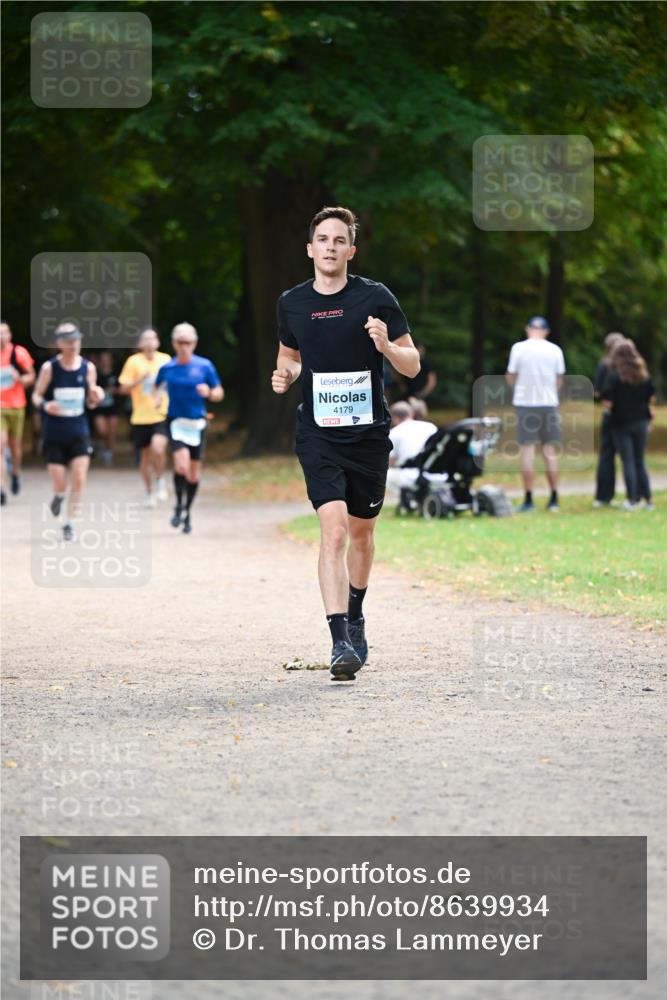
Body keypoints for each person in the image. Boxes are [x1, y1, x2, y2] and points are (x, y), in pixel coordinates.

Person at [272, 206, 420, 681]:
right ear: (310, 248)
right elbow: (290, 357)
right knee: (333, 530)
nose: (331, 247)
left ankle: (355, 613)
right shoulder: (292, 302)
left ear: (350, 250)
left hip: (368, 435)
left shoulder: (375, 298)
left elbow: (412, 365)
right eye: (323, 239)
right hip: (318, 434)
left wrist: (387, 347)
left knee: (362, 532)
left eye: (340, 240)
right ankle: (339, 641)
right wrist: (284, 375)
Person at [31, 323, 104, 541]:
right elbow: (36, 396)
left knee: (79, 477)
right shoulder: (49, 368)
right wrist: (45, 405)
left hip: (78, 430)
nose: (73, 345)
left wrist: (96, 397)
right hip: (54, 432)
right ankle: (59, 495)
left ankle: (69, 522)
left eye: (76, 340)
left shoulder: (88, 368)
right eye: (69, 341)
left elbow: (91, 401)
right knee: (60, 481)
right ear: (60, 344)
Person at [154, 322, 223, 534]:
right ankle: (177, 505)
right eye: (180, 342)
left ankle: (187, 512)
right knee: (181, 466)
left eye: (188, 342)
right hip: (176, 422)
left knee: (193, 475)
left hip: (197, 424)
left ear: (194, 343)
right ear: (174, 343)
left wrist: (209, 393)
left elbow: (219, 392)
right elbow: (158, 387)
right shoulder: (167, 368)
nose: (184, 346)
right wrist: (157, 398)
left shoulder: (205, 366)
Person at [505, 315, 565, 513]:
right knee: (550, 452)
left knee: (527, 452)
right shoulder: (555, 350)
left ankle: (529, 499)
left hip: (525, 404)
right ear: (546, 331)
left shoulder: (518, 348)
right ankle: (554, 498)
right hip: (548, 404)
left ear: (527, 328)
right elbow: (559, 380)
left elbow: (511, 376)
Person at [118, 328, 171, 507]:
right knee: (145, 457)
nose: (149, 342)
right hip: (140, 417)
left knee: (158, 448)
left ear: (158, 342)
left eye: (152, 338)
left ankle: (161, 479)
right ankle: (149, 493)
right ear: (140, 344)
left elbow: (172, 383)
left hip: (161, 413)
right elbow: (122, 389)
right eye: (145, 339)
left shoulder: (166, 360)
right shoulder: (133, 362)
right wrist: (138, 380)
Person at [602, 339, 655, 511]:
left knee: (628, 461)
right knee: (640, 461)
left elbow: (608, 402)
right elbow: (650, 400)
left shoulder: (614, 377)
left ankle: (632, 499)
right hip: (641, 422)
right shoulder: (643, 375)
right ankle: (647, 499)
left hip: (621, 423)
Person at [0, 321, 35, 505]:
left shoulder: (18, 353)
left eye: (4, 332)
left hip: (17, 406)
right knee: (1, 445)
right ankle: (1, 487)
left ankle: (15, 473)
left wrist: (20, 378)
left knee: (15, 447)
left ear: (10, 335)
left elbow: (32, 376)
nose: (1, 336)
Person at [593, 332, 625, 507]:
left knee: (606, 456)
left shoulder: (604, 365)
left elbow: (597, 391)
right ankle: (634, 496)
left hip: (610, 415)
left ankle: (603, 496)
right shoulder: (633, 366)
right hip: (630, 417)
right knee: (630, 458)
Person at [386, 400, 438, 499]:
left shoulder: (394, 433)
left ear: (394, 418)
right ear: (411, 414)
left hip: (411, 476)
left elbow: (390, 462)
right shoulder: (431, 427)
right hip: (436, 473)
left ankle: (409, 498)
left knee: (383, 475)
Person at [92, 349, 121, 466]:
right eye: (103, 360)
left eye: (107, 360)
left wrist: (116, 390)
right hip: (99, 407)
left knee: (112, 431)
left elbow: (121, 388)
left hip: (112, 407)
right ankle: (100, 444)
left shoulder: (115, 374)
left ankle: (109, 453)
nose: (105, 362)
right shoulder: (95, 374)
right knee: (102, 430)